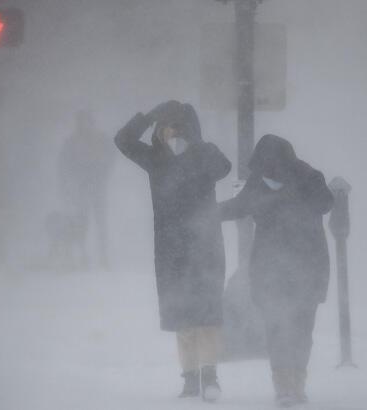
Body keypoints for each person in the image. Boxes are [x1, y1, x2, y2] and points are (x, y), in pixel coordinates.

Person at [114, 100, 231, 402]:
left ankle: (210, 376)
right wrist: (148, 115)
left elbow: (224, 167)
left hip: (205, 246)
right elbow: (123, 140)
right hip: (171, 249)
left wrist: (197, 145)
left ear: (189, 129)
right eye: (164, 126)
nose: (169, 133)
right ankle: (190, 378)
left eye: (176, 127)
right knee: (183, 318)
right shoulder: (156, 158)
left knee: (207, 316)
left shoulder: (204, 154)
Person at [219, 134, 334, 407]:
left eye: (269, 168)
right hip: (271, 271)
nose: (266, 175)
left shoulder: (309, 178)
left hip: (307, 268)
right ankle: (284, 385)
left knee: (302, 329)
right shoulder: (258, 183)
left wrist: (293, 188)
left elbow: (326, 204)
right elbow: (237, 207)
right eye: (261, 170)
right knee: (276, 328)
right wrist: (203, 213)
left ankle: (297, 383)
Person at [57, 110, 114, 270]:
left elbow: (110, 159)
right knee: (82, 222)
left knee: (99, 222)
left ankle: (103, 256)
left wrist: (103, 174)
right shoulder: (73, 142)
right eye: (82, 121)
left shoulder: (100, 140)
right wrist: (66, 185)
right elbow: (63, 165)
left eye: (87, 121)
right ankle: (83, 255)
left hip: (96, 187)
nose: (85, 125)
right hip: (81, 188)